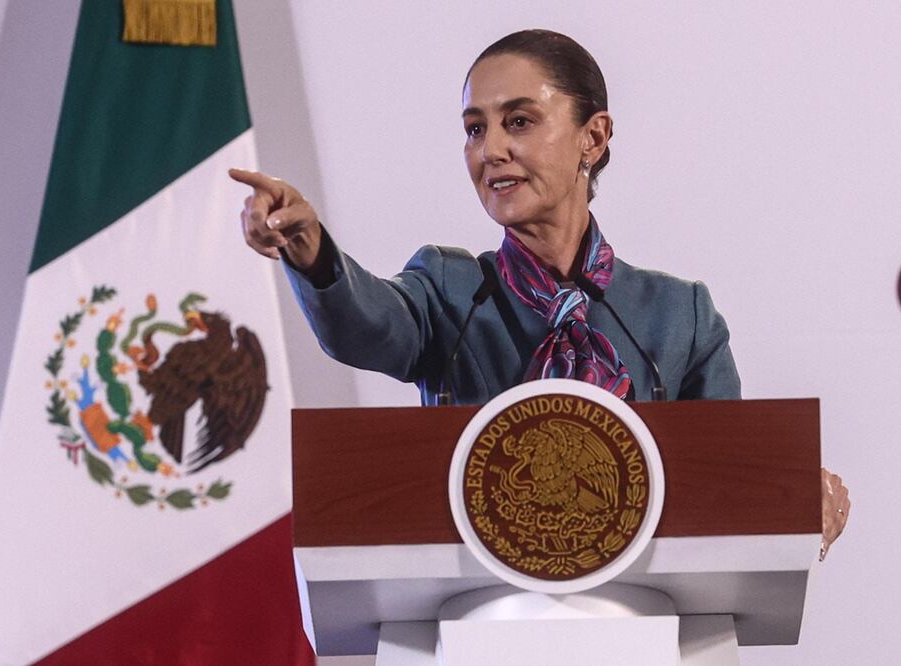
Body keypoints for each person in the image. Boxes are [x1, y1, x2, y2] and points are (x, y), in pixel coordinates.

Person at [230, 29, 850, 558]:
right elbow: (365, 325)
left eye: (519, 122)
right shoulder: (449, 290)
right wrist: (310, 250)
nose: (490, 150)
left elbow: (726, 488)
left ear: (593, 138)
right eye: (475, 129)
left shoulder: (678, 316)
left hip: (644, 626)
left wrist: (791, 507)